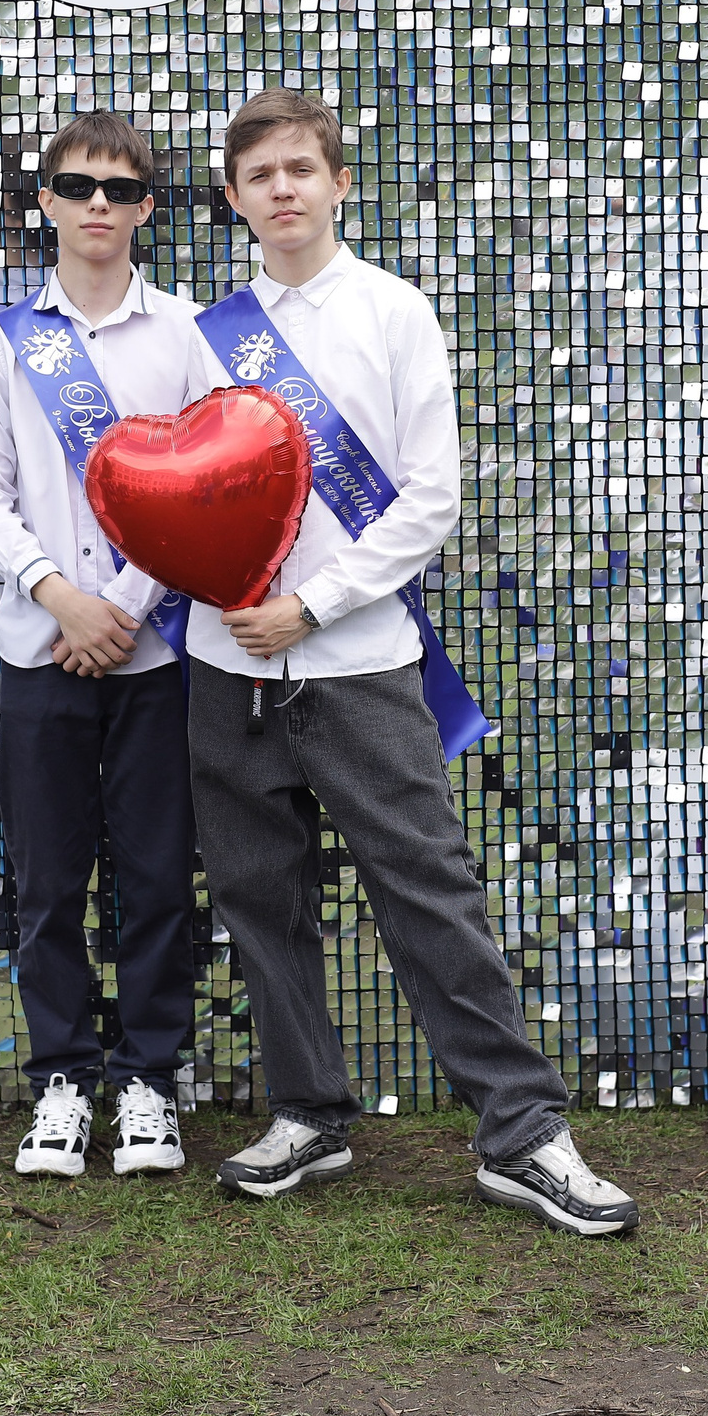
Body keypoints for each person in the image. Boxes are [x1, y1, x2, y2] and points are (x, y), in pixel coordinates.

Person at [183, 88, 639, 1236]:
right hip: (223, 663)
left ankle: (524, 1134)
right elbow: (177, 499)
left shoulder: (394, 313)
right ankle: (306, 1115)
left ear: (340, 184)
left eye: (300, 168)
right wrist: (234, 608)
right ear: (234, 200)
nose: (282, 189)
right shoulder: (204, 336)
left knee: (428, 891)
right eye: (258, 175)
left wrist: (311, 606)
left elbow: (428, 500)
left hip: (357, 661)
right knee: (255, 894)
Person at [0, 110, 198, 1180]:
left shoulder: (188, 336)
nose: (99, 203)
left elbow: (204, 491)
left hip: (155, 651)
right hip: (38, 646)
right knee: (49, 879)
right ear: (42, 201)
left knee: (153, 875)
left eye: (121, 188)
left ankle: (147, 1083)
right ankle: (61, 1079)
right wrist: (62, 597)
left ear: (146, 208)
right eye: (77, 184)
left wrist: (126, 605)